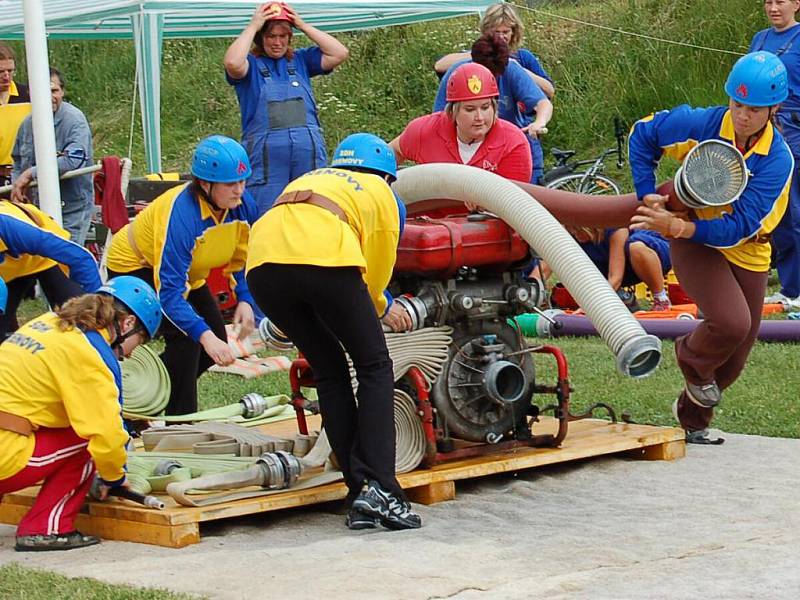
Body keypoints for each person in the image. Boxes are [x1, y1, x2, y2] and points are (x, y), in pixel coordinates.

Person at [246, 133, 421, 531]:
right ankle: (381, 488)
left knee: (329, 369)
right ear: (388, 176)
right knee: (374, 365)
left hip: (263, 267)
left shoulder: (315, 178)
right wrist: (384, 307)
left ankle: (357, 489)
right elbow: (375, 269)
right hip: (325, 261)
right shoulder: (382, 193)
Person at [628, 51, 793, 444]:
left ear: (774, 108)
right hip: (696, 239)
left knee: (735, 359)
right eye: (737, 104)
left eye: (754, 109)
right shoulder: (704, 123)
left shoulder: (777, 160)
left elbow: (739, 226)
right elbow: (643, 133)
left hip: (746, 246)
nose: (742, 115)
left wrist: (677, 225)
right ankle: (688, 354)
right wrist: (647, 193)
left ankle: (692, 422)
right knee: (732, 323)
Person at [0, 276, 161, 551]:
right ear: (127, 324)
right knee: (88, 442)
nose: (132, 354)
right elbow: (106, 436)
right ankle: (47, 528)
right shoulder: (89, 354)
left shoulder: (49, 322)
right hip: (4, 453)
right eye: (140, 341)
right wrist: (115, 478)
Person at [105, 135, 260, 415]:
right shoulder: (182, 216)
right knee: (188, 338)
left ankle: (147, 391)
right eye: (230, 184)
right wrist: (203, 336)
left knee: (214, 337)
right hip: (136, 267)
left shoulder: (242, 204)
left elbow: (244, 254)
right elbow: (169, 294)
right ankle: (182, 421)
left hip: (187, 273)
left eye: (242, 181)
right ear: (205, 184)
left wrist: (245, 299)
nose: (239, 190)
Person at [224, 2, 349, 215]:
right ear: (260, 39)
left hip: (307, 156)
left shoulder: (301, 60)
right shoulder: (250, 66)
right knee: (266, 217)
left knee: (313, 214)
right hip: (267, 162)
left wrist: (302, 24)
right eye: (271, 36)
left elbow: (339, 53)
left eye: (283, 36)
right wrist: (254, 25)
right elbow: (232, 63)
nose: (277, 42)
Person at [434, 3, 555, 183]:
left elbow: (544, 100)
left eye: (505, 32)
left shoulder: (514, 66)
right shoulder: (458, 71)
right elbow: (438, 119)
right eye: (496, 32)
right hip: (474, 155)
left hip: (513, 150)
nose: (501, 36)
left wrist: (539, 122)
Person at [391, 62, 532, 187]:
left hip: (490, 215)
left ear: (494, 107)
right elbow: (390, 152)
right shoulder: (424, 131)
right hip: (430, 216)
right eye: (470, 109)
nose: (479, 117)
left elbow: (515, 202)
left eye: (485, 107)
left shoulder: (513, 143)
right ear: (453, 111)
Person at [750, 0, 800, 309]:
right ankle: (788, 285)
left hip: (795, 126)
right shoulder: (760, 39)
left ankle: (797, 289)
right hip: (763, 126)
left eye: (780, 1)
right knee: (774, 209)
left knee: (794, 208)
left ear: (796, 4)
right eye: (768, 2)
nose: (773, 8)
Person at [11, 68, 94, 246]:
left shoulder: (75, 120)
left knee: (67, 259)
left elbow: (74, 160)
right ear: (31, 94)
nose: (49, 97)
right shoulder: (27, 125)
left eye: (54, 91)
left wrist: (30, 174)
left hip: (71, 209)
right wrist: (17, 186)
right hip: (35, 211)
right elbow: (17, 160)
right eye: (42, 91)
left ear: (62, 91)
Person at [0, 199, 102, 338]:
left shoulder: (11, 227)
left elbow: (82, 258)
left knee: (84, 319)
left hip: (45, 258)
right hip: (9, 271)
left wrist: (98, 310)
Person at [554, 226, 672, 311]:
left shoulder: (615, 229)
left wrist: (591, 307)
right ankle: (623, 298)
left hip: (652, 255)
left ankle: (660, 298)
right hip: (623, 269)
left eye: (578, 229)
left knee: (635, 247)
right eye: (572, 230)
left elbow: (615, 277)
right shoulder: (571, 235)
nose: (575, 234)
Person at [0, 43, 31, 194]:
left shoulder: (27, 94)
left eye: (10, 71)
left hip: (23, 174)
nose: (6, 76)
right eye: (1, 71)